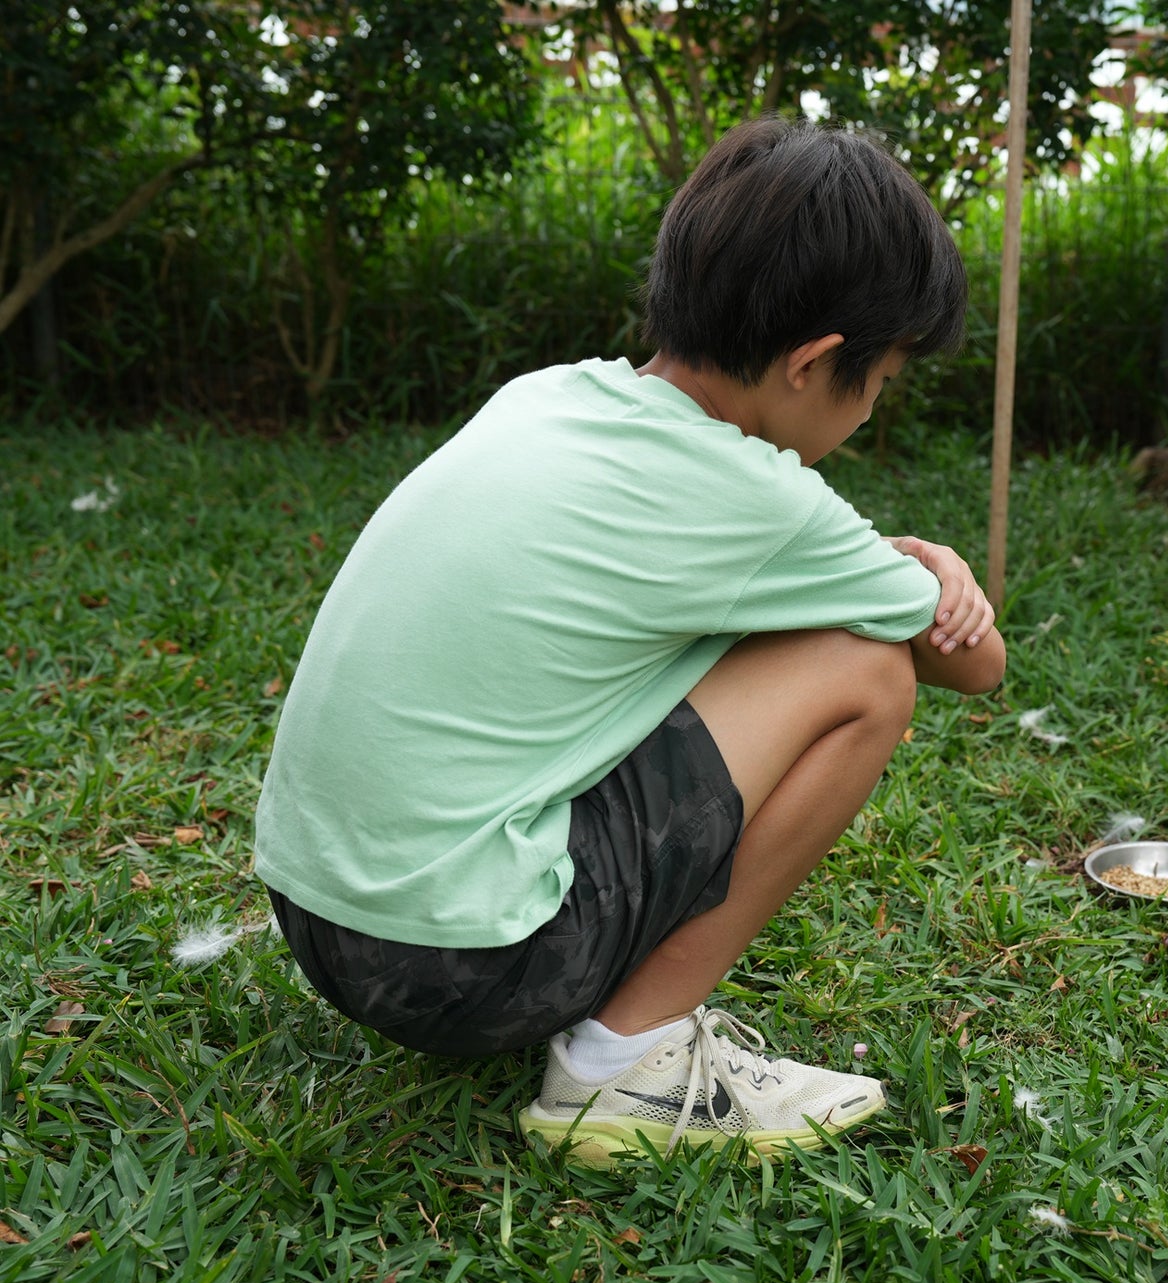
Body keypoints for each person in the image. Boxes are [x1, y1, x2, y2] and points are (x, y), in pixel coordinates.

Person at [252, 116, 1005, 1165]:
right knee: (867, 668)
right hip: (460, 968)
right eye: (882, 383)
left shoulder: (546, 396)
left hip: (318, 914)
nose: (875, 406)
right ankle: (619, 1069)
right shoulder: (760, 503)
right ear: (815, 361)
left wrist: (887, 564)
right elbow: (976, 663)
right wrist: (932, 568)